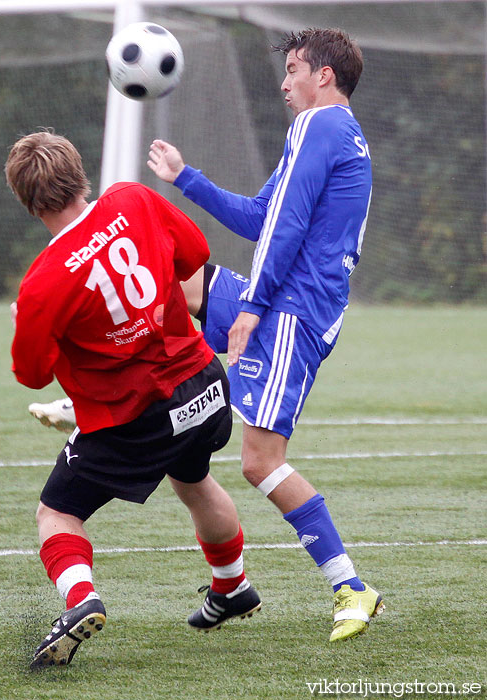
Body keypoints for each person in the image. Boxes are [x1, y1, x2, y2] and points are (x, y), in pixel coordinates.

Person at [146, 26, 384, 643]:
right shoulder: (331, 135)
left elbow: (288, 224)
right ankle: (118, 396)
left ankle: (350, 586)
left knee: (260, 462)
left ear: (323, 76)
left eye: (295, 70)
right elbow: (263, 218)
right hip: (282, 298)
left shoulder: (319, 126)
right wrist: (186, 177)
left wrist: (252, 303)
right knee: (178, 286)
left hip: (292, 310)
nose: (284, 83)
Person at [6, 130, 261, 670]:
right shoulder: (134, 198)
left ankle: (80, 602)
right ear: (79, 174)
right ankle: (231, 586)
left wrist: (28, 326)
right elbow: (194, 255)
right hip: (205, 386)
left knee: (57, 511)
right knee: (193, 480)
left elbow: (30, 375)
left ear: (28, 203)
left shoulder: (44, 281)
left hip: (137, 416)